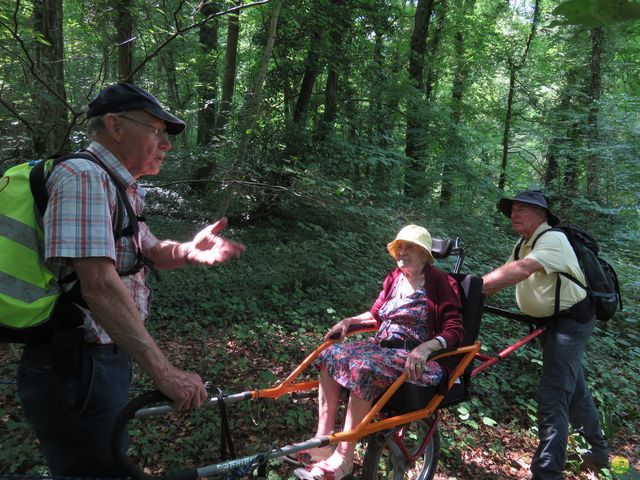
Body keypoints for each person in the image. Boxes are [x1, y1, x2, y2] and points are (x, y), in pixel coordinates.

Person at [17, 82, 246, 477]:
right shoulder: (85, 178)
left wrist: (190, 251)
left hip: (97, 360)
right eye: (157, 132)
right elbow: (100, 286)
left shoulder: (117, 184)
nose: (167, 145)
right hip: (76, 365)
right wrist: (165, 373)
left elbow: (149, 250)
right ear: (115, 127)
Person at [293, 225, 464, 480]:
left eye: (409, 247)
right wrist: (349, 321)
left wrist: (426, 348)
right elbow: (375, 314)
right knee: (330, 356)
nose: (401, 251)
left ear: (424, 254)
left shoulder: (441, 282)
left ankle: (344, 459)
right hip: (381, 348)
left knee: (363, 369)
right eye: (399, 247)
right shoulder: (394, 277)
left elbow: (455, 329)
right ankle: (323, 442)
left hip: (414, 355)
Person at [482, 190, 609, 479]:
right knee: (572, 387)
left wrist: (474, 287)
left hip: (570, 324)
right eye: (512, 208)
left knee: (554, 392)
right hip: (551, 323)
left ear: (541, 215)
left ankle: (547, 472)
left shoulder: (552, 238)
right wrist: (470, 287)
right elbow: (507, 270)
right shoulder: (523, 243)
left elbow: (523, 270)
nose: (514, 213)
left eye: (522, 208)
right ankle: (598, 452)